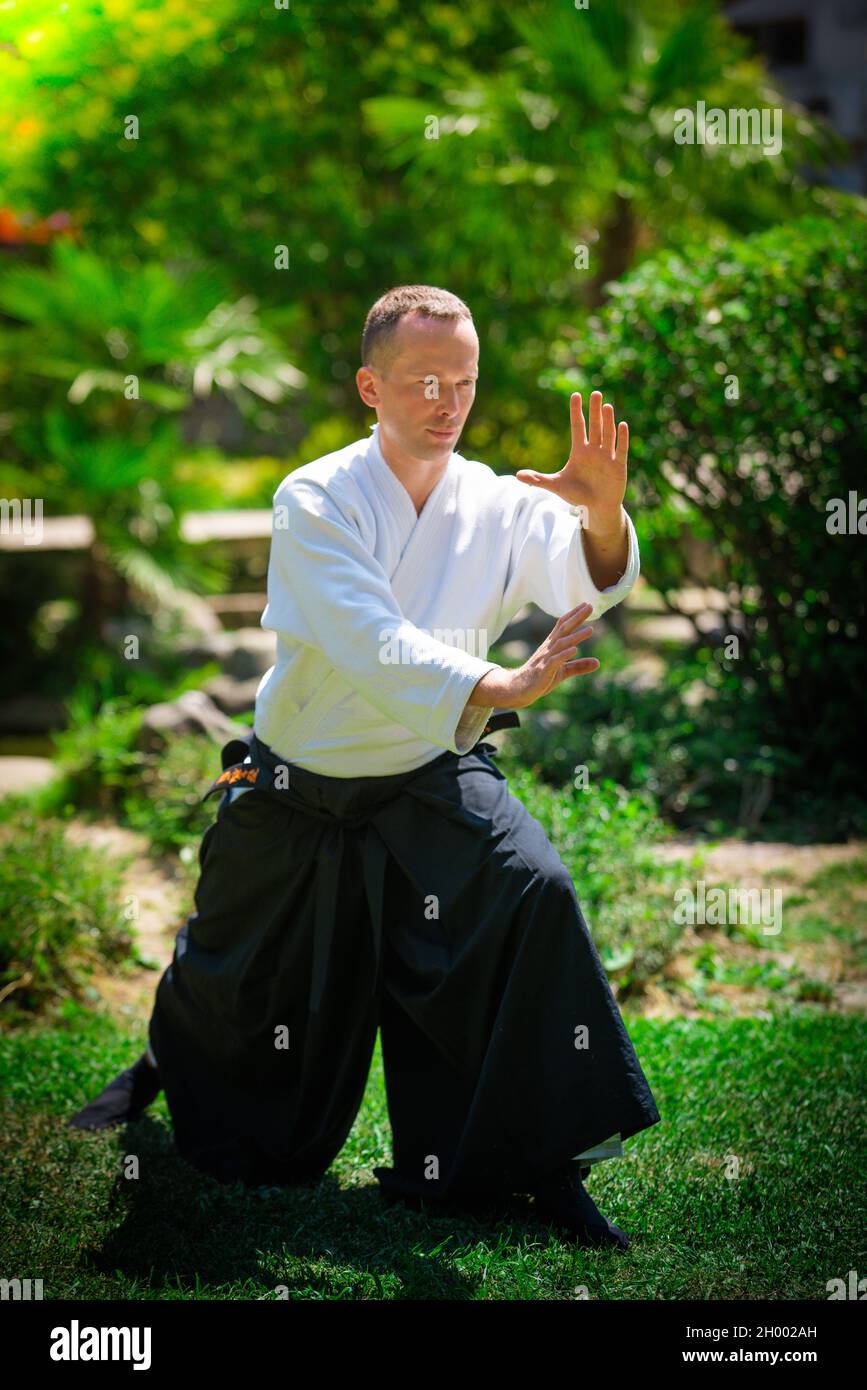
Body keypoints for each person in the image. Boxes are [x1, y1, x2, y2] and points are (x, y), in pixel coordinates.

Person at [70, 285, 661, 1251]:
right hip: (298, 787)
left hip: (429, 772)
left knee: (533, 894)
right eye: (425, 380)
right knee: (231, 1002)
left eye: (463, 381)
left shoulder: (500, 503)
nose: (447, 400)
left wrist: (601, 518)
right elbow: (365, 639)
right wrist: (495, 685)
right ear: (367, 386)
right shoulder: (314, 497)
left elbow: (583, 576)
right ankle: (160, 1066)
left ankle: (528, 1164)